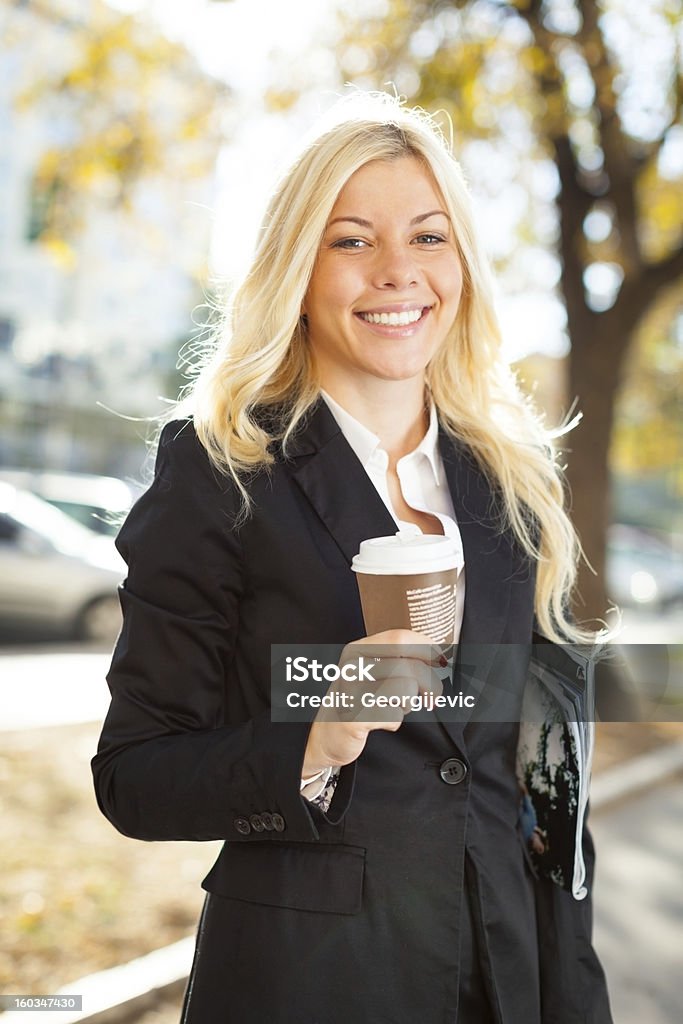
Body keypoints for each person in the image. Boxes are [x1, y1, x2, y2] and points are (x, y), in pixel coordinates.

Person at [92, 93, 613, 1023]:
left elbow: (552, 807)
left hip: (505, 982)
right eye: (350, 241)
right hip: (307, 983)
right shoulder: (220, 472)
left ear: (460, 264)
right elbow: (135, 775)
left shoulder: (512, 487)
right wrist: (317, 737)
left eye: (427, 237)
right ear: (298, 265)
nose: (396, 273)